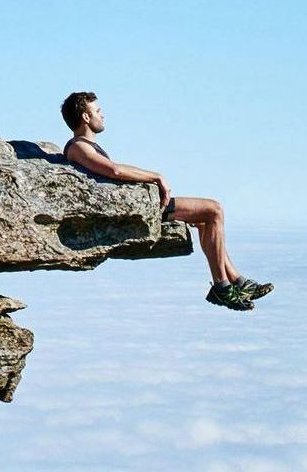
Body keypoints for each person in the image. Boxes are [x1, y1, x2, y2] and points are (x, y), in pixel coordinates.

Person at [60, 92, 272, 313]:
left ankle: (236, 281)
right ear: (86, 117)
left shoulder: (85, 146)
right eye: (98, 111)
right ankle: (222, 285)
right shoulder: (78, 147)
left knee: (204, 221)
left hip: (144, 204)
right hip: (141, 208)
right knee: (214, 210)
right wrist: (156, 176)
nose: (102, 115)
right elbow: (114, 170)